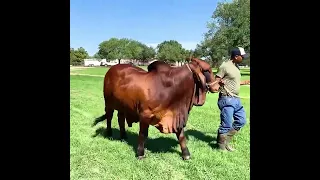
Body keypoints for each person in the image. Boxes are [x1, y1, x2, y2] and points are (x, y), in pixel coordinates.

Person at [212, 47, 250, 151]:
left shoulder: (236, 67)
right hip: (227, 99)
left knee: (241, 121)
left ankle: (226, 141)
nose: (243, 58)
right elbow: (215, 83)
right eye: (242, 56)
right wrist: (219, 83)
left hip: (236, 99)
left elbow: (233, 82)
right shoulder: (225, 66)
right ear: (236, 56)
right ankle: (221, 147)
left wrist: (244, 82)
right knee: (226, 124)